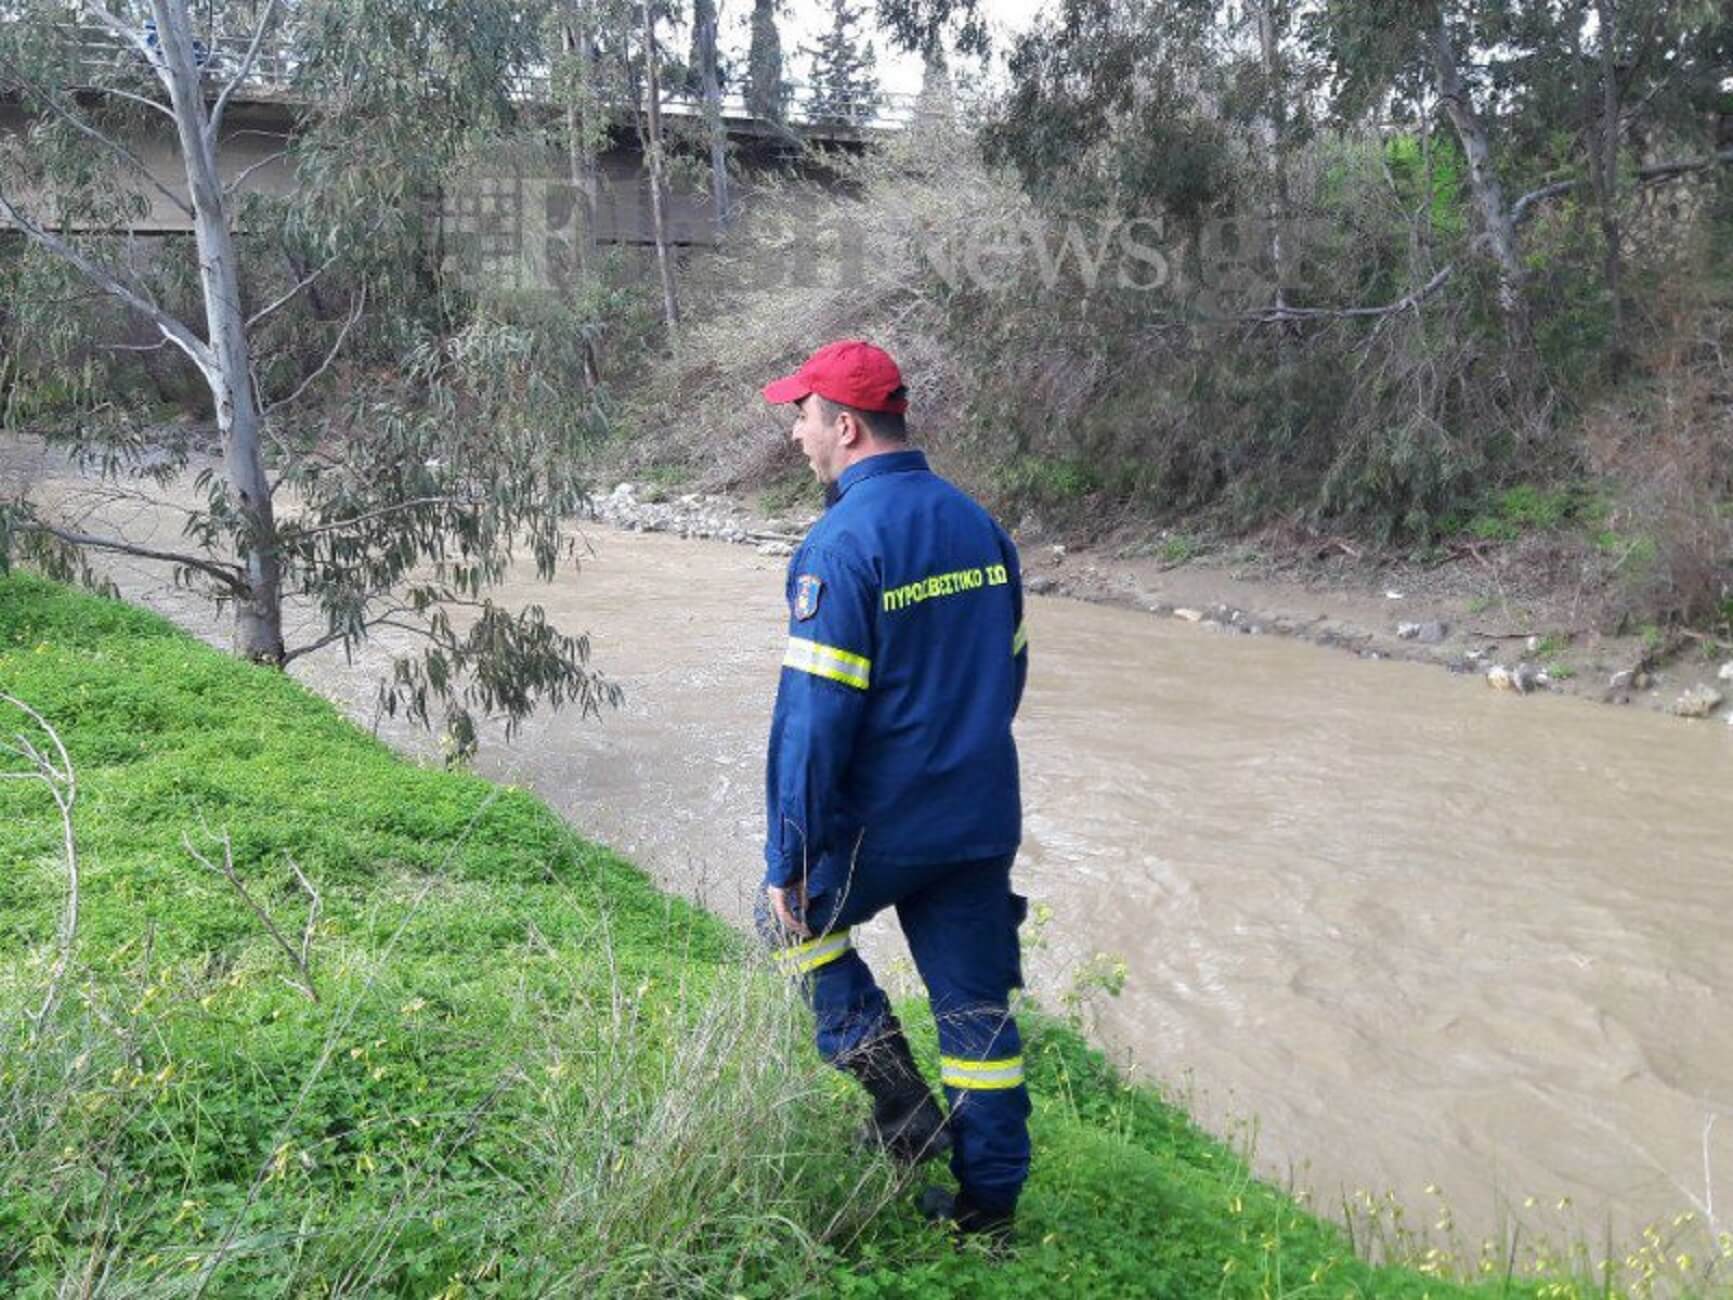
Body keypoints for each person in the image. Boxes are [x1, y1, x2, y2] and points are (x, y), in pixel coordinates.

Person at [757, 338, 1031, 1242]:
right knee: (977, 1017)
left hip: (881, 829)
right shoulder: (976, 523)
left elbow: (811, 725)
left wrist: (788, 859)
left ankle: (897, 1101)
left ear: (844, 426)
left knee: (788, 925)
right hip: (978, 817)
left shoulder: (840, 545)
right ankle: (987, 1208)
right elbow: (1010, 670)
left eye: (801, 415)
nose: (795, 432)